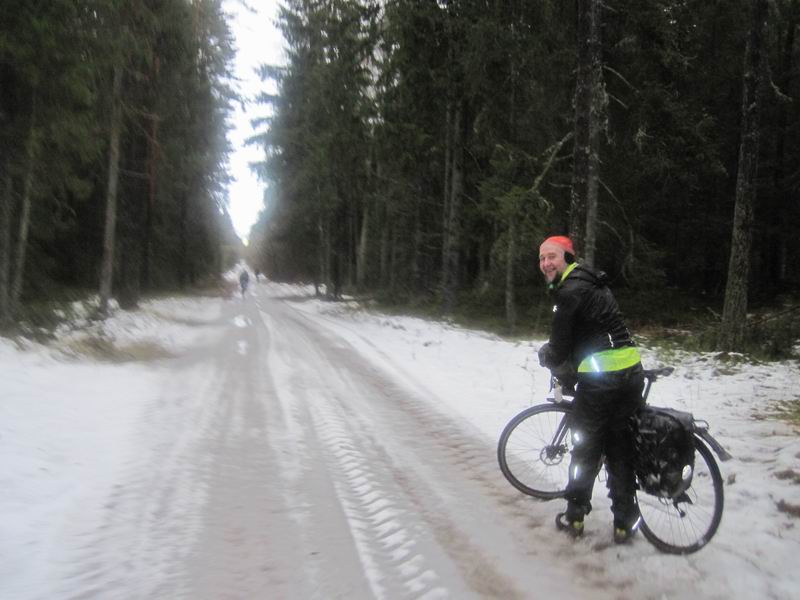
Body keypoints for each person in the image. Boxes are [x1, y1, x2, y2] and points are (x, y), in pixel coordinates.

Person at [536, 235, 645, 544]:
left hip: (601, 380)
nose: (546, 263)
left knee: (584, 447)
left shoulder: (569, 292)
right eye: (542, 258)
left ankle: (574, 517)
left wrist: (547, 356)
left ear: (567, 257)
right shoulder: (595, 283)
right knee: (620, 448)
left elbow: (559, 348)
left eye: (552, 257)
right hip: (631, 372)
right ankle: (625, 523)